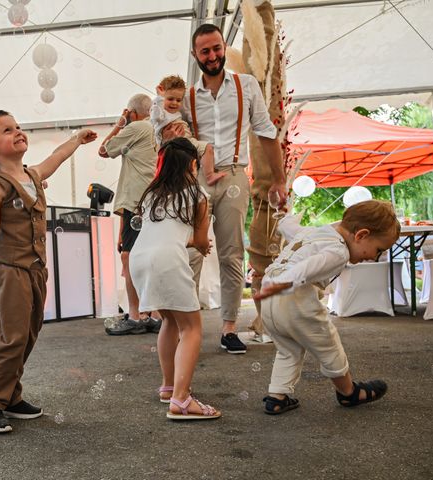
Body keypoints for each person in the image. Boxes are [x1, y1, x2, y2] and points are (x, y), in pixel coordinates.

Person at [0, 110, 97, 434]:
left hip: (35, 269)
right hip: (11, 269)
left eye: (19, 127)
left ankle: (9, 395)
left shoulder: (33, 174)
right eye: (8, 130)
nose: (18, 132)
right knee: (11, 338)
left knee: (28, 334)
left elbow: (56, 156)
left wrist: (77, 140)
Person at [164, 23, 287, 354]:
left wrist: (279, 178)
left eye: (217, 48)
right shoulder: (187, 97)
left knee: (232, 252)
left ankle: (229, 327)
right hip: (195, 180)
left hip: (233, 174)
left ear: (223, 46)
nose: (213, 55)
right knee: (189, 251)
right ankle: (181, 326)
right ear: (196, 55)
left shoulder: (245, 85)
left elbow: (265, 131)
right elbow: (172, 137)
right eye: (205, 51)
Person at [254, 200, 400, 415]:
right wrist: (281, 284)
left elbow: (289, 228)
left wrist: (284, 215)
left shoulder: (314, 233)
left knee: (288, 349)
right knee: (329, 345)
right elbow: (305, 269)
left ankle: (277, 397)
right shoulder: (338, 251)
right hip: (291, 293)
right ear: (361, 235)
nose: (373, 257)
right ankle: (348, 392)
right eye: (378, 250)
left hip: (270, 299)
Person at [129, 137, 220, 420]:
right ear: (193, 164)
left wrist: (190, 242)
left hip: (139, 259)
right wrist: (202, 246)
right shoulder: (198, 195)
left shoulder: (151, 195)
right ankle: (181, 401)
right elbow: (201, 239)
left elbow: (164, 234)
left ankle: (169, 387)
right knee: (191, 328)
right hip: (168, 261)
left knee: (169, 320)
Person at [99, 94, 161, 335]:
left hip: (134, 201)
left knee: (129, 258)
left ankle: (135, 316)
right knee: (151, 259)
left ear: (132, 112)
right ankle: (153, 314)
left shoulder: (136, 127)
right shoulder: (156, 129)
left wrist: (120, 123)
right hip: (151, 201)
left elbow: (104, 150)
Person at [150, 75, 224, 186]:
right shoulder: (160, 111)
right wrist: (159, 97)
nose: (174, 103)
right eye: (170, 99)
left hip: (185, 139)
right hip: (182, 140)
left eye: (178, 100)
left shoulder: (172, 112)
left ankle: (206, 174)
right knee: (207, 148)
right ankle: (209, 175)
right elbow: (155, 116)